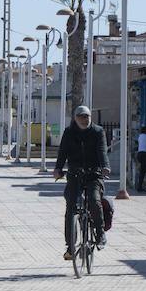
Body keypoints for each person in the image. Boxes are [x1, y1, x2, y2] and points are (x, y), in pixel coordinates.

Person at [53, 105, 109, 259]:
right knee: (71, 207)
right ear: (75, 118)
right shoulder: (69, 132)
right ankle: (70, 246)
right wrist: (58, 168)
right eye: (81, 117)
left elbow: (102, 151)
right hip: (75, 174)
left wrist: (105, 167)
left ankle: (100, 234)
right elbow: (63, 152)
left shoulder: (98, 131)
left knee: (94, 200)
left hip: (94, 174)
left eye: (87, 116)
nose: (84, 120)